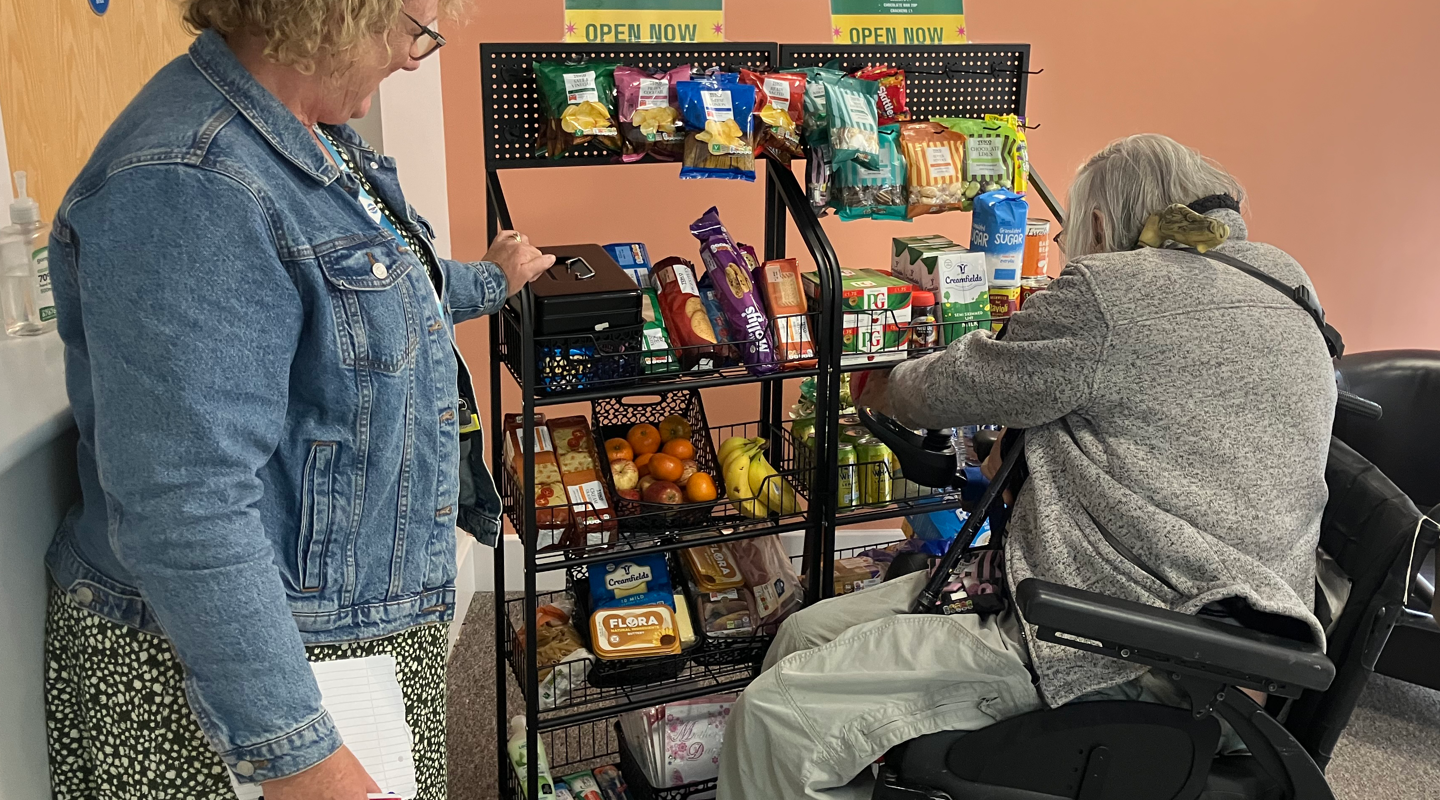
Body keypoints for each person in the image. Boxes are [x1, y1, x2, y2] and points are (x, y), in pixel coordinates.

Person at [717, 134, 1338, 800]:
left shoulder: (1112, 291)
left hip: (1111, 636)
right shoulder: (1282, 277)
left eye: (1076, 235)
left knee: (773, 718)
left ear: (1101, 225)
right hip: (1237, 628)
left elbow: (959, 384)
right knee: (804, 633)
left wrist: (880, 387)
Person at [42, 2, 554, 799]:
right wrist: (303, 759)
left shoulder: (310, 138)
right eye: (417, 28)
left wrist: (491, 279)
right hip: (249, 682)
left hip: (343, 643)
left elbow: (376, 295)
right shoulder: (192, 180)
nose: (419, 58)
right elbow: (186, 503)